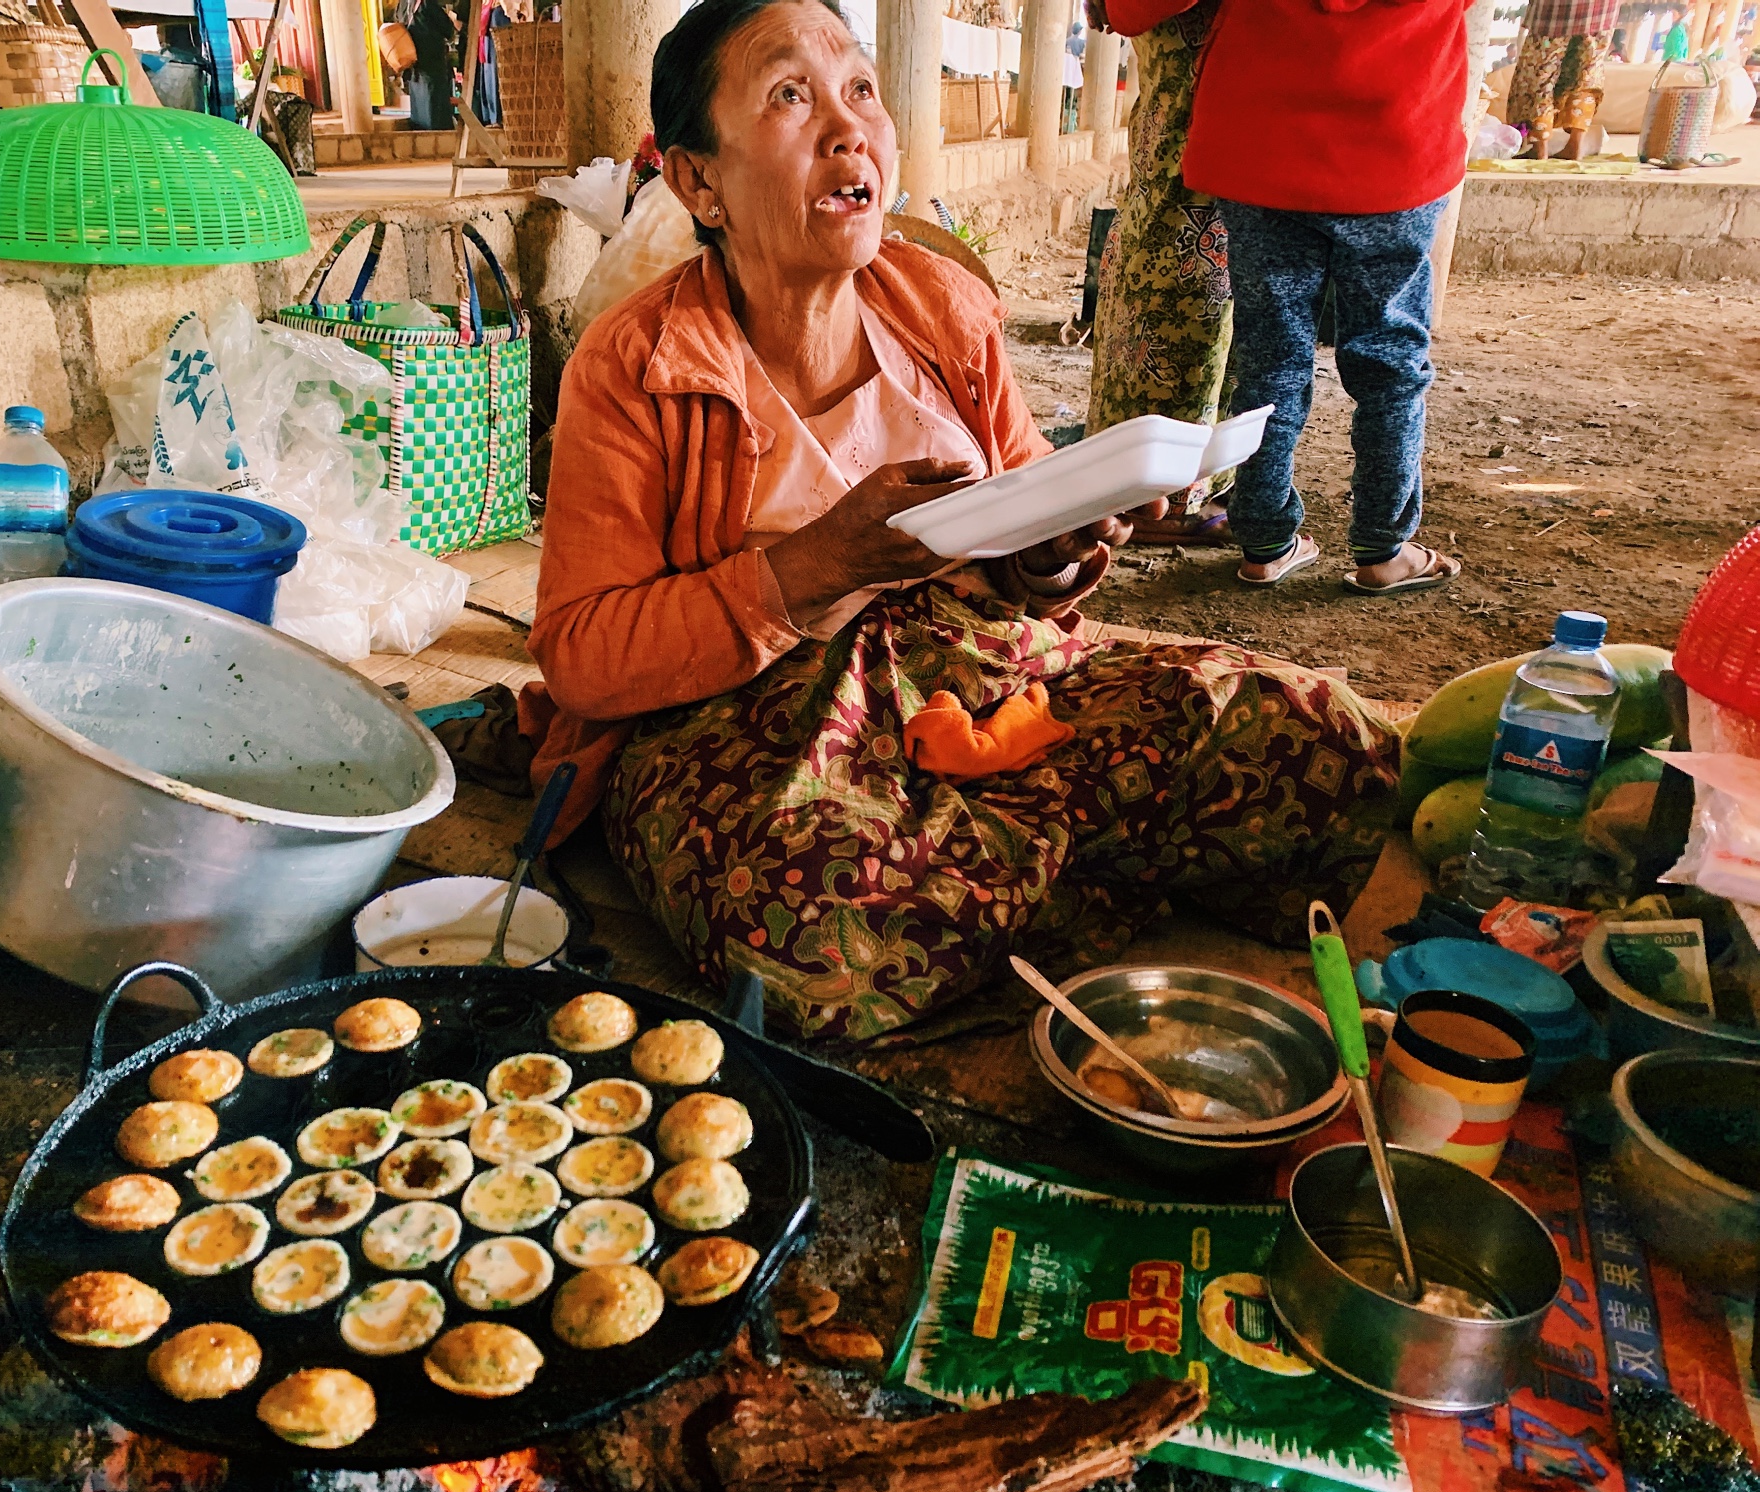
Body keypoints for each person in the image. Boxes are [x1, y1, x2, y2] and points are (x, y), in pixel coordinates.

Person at [518, 0, 1402, 1043]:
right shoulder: (635, 368)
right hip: (757, 728)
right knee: (812, 927)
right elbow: (579, 657)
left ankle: (972, 870)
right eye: (788, 97)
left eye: (858, 89)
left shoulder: (939, 306)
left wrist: (1059, 556)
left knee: (1318, 731)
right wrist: (810, 569)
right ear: (697, 181)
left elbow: (1027, 510)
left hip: (985, 678)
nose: (848, 128)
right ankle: (1040, 859)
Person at [1110, 0, 1470, 596]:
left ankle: (1265, 540)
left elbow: (1134, 10)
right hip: (1397, 150)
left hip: (1260, 151)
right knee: (1391, 363)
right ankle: (1385, 546)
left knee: (1270, 356)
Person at [1085, 0, 1234, 546]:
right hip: (1195, 113)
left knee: (1182, 256)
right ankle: (1167, 498)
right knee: (1189, 264)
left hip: (1188, 112)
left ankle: (1169, 482)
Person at [1505, 0, 1620, 159]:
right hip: (1602, 9)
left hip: (1555, 11)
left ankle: (1540, 146)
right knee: (1587, 73)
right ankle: (1575, 145)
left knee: (1540, 73)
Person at [404, 0, 459, 130]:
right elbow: (448, 29)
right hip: (432, 63)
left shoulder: (405, 5)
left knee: (419, 106)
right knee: (435, 108)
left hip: (414, 65)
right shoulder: (428, 5)